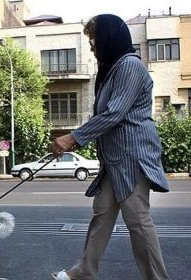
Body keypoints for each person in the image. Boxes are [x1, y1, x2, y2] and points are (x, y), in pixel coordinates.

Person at [50, 14, 170, 280]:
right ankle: (84, 271)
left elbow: (113, 114)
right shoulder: (110, 70)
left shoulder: (129, 66)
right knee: (102, 215)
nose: (92, 45)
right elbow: (104, 116)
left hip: (133, 158)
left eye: (94, 39)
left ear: (108, 38)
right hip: (113, 160)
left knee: (138, 223)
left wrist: (73, 137)